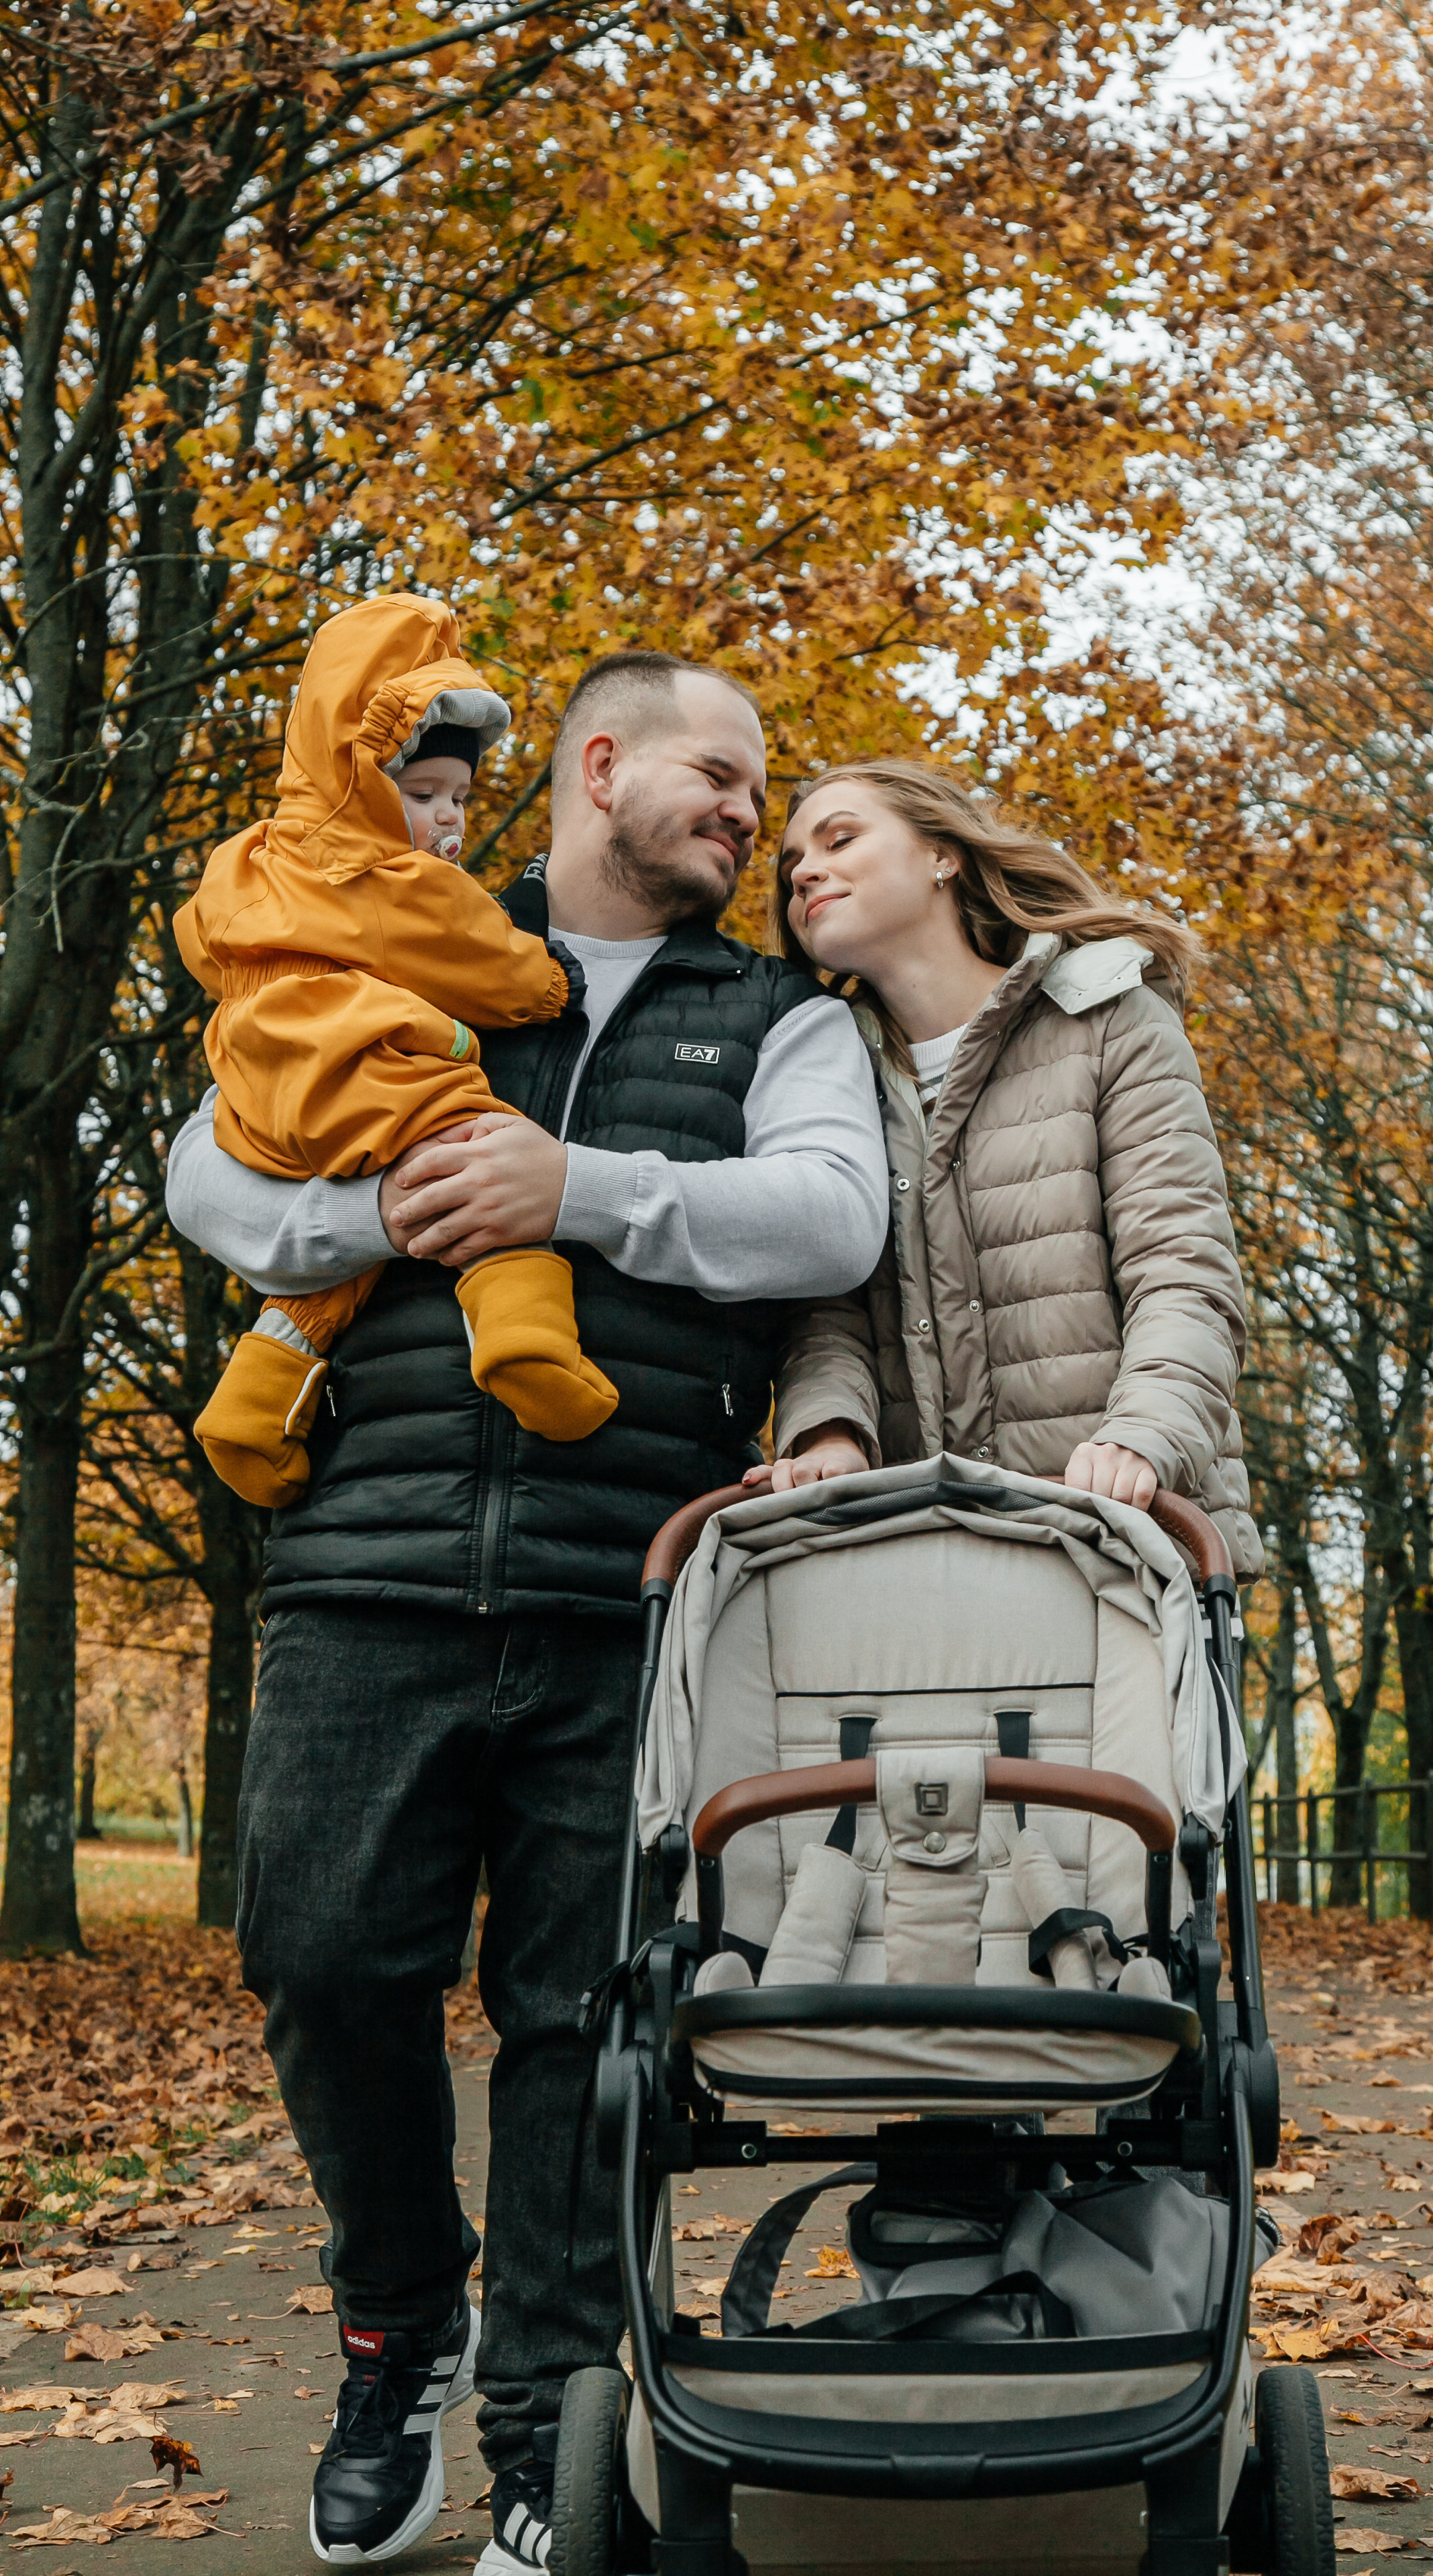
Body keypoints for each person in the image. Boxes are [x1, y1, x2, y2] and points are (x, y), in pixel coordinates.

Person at [164, 651, 890, 2574]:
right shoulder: (394, 938)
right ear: (598, 766)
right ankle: (402, 2319)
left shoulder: (779, 1017)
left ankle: (545, 2444)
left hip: (635, 1589)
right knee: (321, 1962)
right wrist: (402, 1209)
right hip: (362, 1561)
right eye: (719, 778)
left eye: (757, 792)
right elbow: (214, 1172)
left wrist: (572, 1186)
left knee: (585, 2028)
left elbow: (831, 1220)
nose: (747, 815)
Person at [747, 757, 1263, 1580]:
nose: (805, 869)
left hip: (1125, 1548)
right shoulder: (818, 1065)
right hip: (914, 1563)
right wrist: (829, 1432)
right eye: (791, 865)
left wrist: (1144, 1437)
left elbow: (1183, 1271)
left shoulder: (1107, 1020)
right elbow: (823, 1302)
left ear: (942, 856)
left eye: (840, 839)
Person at [178, 594, 615, 1511]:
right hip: (362, 1059)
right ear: (364, 782)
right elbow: (497, 972)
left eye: (460, 798)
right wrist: (552, 985)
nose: (450, 822)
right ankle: (523, 1331)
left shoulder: (252, 859)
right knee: (479, 1155)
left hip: (255, 1095)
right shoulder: (393, 881)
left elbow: (201, 937)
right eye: (422, 797)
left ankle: (255, 1402)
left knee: (342, 1261)